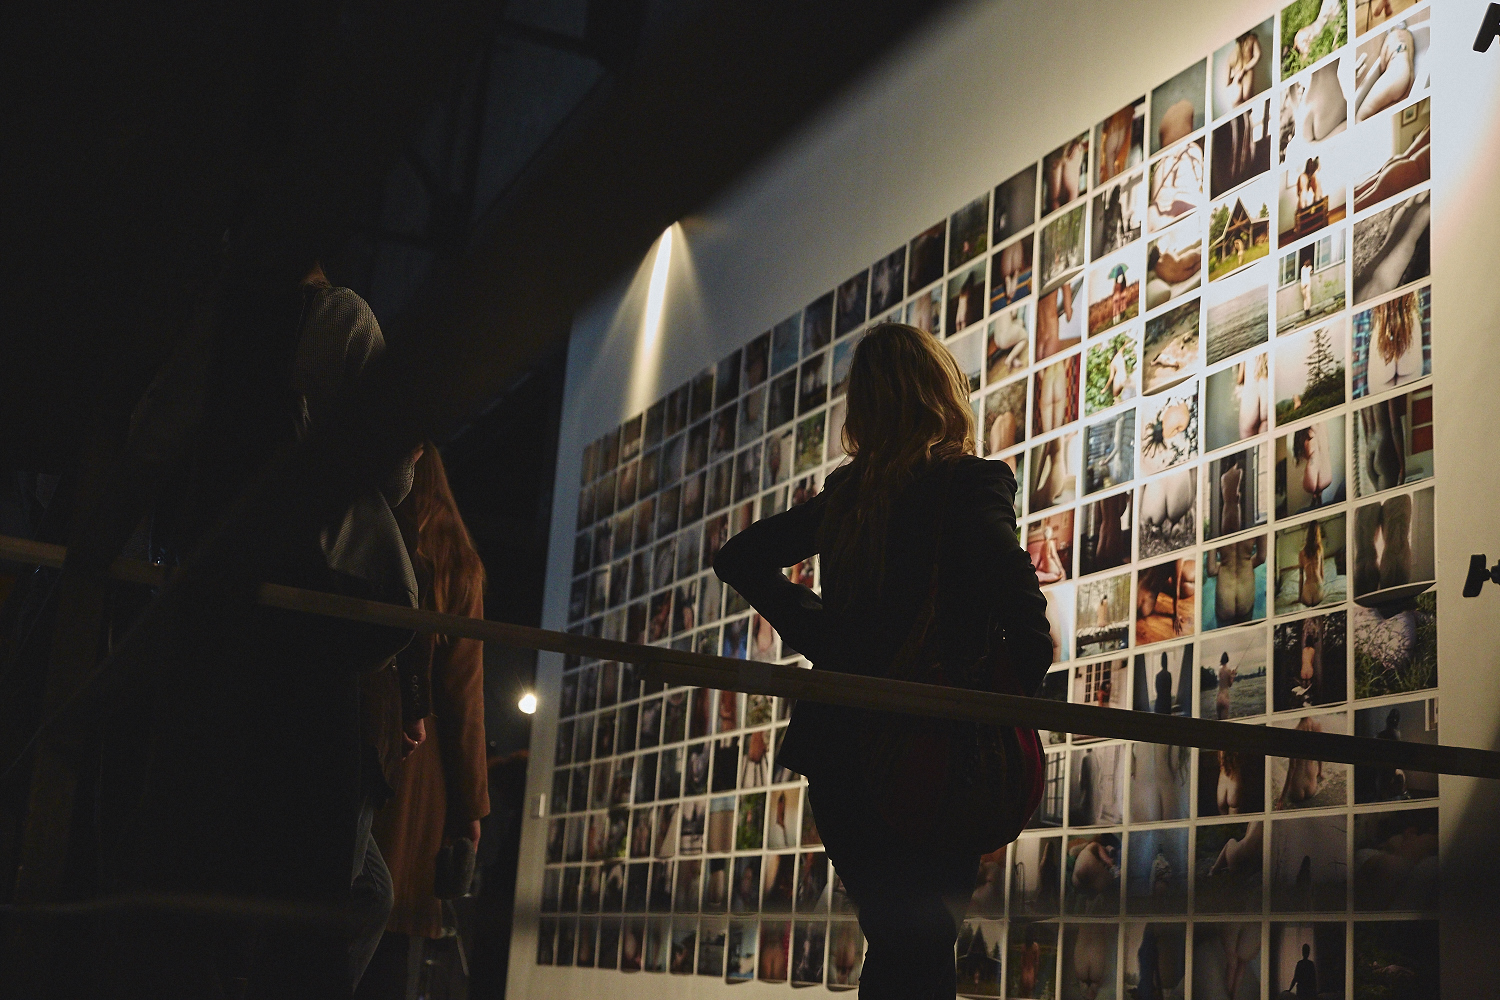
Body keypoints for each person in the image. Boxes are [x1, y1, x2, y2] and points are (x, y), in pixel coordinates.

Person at [712, 323, 1052, 1000]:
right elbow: (1027, 619)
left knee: (899, 947)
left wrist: (822, 635)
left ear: (863, 407)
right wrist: (995, 705)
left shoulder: (849, 496)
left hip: (840, 753)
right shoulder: (967, 485)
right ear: (940, 392)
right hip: (934, 747)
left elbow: (738, 557)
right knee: (921, 950)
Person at [356, 446, 490, 999]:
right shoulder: (456, 561)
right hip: (420, 774)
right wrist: (469, 810)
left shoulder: (365, 527)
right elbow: (464, 702)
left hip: (364, 732)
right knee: (393, 953)